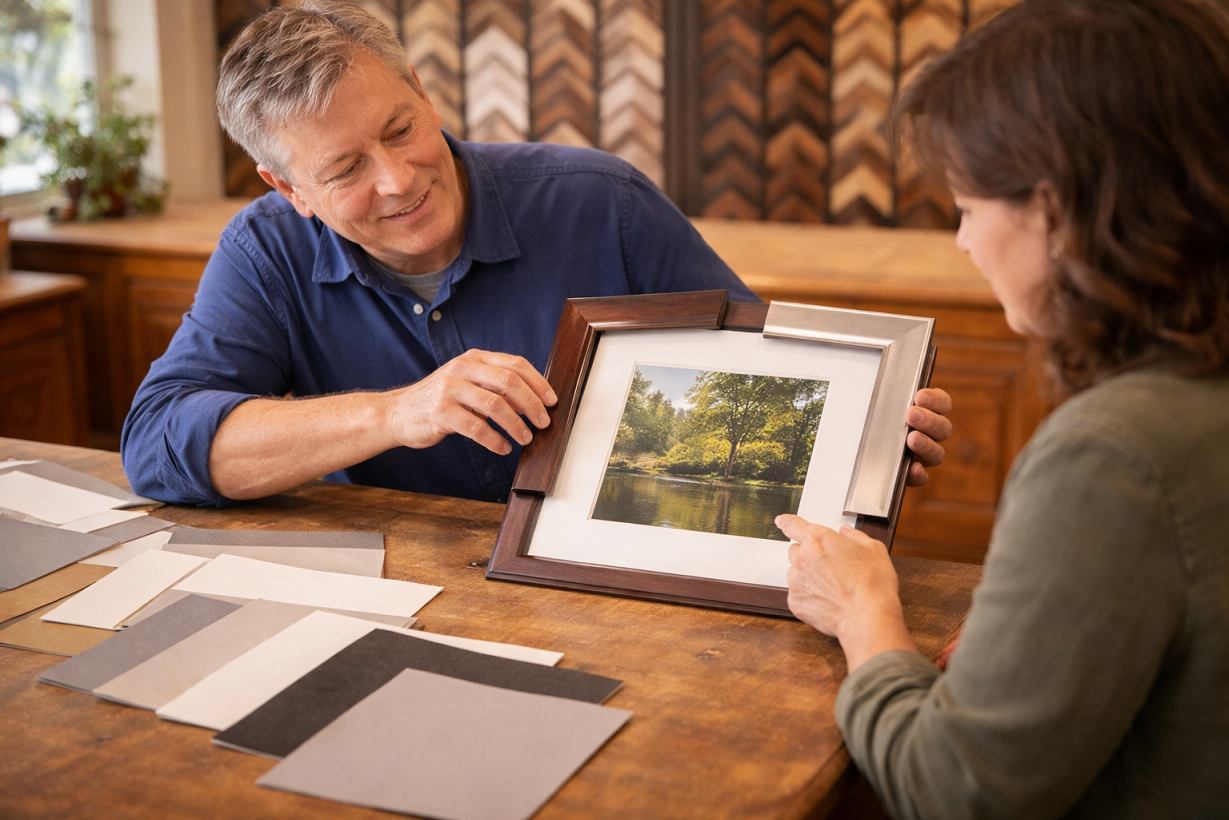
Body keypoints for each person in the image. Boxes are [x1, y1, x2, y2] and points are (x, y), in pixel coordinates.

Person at [120, 0, 952, 507]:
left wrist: (866, 430)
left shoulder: (600, 202)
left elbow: (773, 377)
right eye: (344, 170)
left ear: (422, 93)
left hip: (610, 585)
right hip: (387, 593)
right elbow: (157, 444)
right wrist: (397, 414)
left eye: (401, 129)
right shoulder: (264, 249)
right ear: (287, 187)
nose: (398, 179)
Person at [776, 1, 1229, 817]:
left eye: (967, 207)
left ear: (1053, 209)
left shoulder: (1110, 455)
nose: (963, 242)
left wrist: (861, 610)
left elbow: (954, 792)